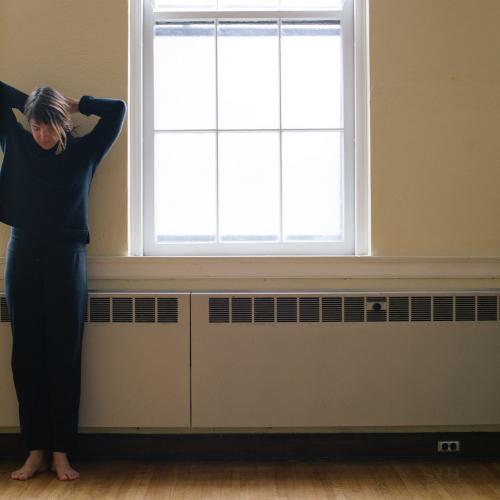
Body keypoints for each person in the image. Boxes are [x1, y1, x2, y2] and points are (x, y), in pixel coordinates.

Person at [0, 80, 127, 481]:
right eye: (35, 126)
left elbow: (118, 110)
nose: (40, 135)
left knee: (64, 356)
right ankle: (35, 450)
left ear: (63, 122)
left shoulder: (85, 151)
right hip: (21, 255)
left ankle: (61, 452)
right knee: (27, 355)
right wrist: (34, 103)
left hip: (67, 258)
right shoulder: (17, 143)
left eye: (48, 125)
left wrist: (72, 103)